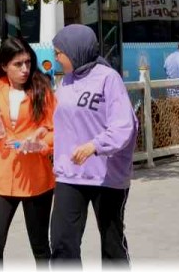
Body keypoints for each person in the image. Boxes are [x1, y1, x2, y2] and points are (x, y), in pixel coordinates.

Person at [49, 24, 137, 266]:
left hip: (106, 176)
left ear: (75, 50)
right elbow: (59, 124)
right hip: (70, 174)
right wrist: (40, 138)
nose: (56, 58)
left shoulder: (109, 79)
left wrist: (94, 146)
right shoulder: (65, 82)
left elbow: (124, 126)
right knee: (61, 242)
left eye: (59, 53)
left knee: (112, 244)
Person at [0, 37, 56, 268]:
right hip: (3, 179)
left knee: (40, 247)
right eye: (18, 64)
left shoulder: (42, 88)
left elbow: (57, 129)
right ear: (4, 66)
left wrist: (40, 142)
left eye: (28, 63)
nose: (25, 69)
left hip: (36, 179)